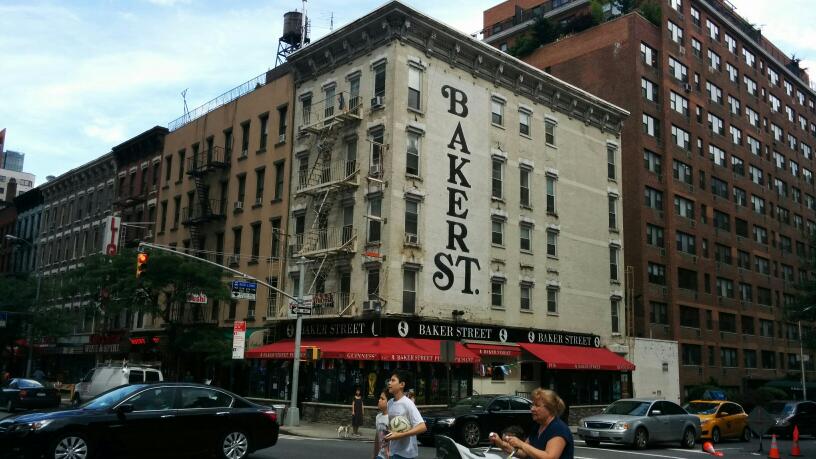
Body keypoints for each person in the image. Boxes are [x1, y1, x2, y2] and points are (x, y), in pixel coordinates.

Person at [489, 388, 574, 459]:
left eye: (537, 405)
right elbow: (524, 453)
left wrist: (521, 444)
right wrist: (501, 443)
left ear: (550, 409)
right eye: (532, 405)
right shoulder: (538, 426)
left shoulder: (558, 428)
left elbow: (550, 457)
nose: (532, 409)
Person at [384, 369, 426, 459]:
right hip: (392, 452)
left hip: (405, 454)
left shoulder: (408, 403)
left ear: (402, 385)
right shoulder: (390, 403)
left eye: (393, 380)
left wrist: (400, 435)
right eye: (389, 380)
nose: (389, 383)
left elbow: (422, 427)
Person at [372, 390, 390, 459]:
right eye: (379, 398)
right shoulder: (378, 417)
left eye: (382, 399)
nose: (379, 400)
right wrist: (374, 455)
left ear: (389, 402)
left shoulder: (392, 418)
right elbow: (377, 438)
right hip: (380, 455)